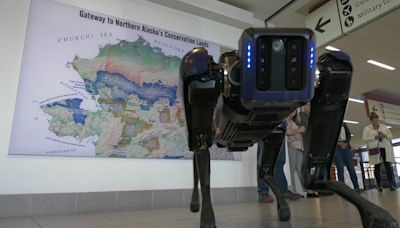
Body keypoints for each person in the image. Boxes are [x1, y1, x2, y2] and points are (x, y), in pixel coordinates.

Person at [362, 112, 397, 192]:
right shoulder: (367, 128)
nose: (376, 122)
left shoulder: (383, 126)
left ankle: (391, 184)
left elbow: (391, 136)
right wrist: (375, 137)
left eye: (377, 120)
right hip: (375, 149)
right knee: (377, 167)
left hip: (385, 148)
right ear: (371, 121)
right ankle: (379, 185)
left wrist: (384, 135)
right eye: (374, 120)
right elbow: (364, 139)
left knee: (388, 166)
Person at [335, 122, 363, 192]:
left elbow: (348, 135)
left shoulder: (344, 124)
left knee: (351, 167)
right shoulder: (332, 124)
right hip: (336, 147)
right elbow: (330, 137)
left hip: (346, 146)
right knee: (340, 168)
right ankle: (342, 189)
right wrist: (339, 143)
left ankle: (356, 187)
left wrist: (346, 143)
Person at [286, 110, 306, 196]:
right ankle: (293, 191)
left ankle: (307, 190)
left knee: (301, 169)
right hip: (292, 146)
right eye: (292, 110)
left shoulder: (295, 121)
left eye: (294, 111)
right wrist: (299, 130)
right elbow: (288, 132)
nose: (293, 112)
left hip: (299, 147)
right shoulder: (287, 121)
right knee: (292, 169)